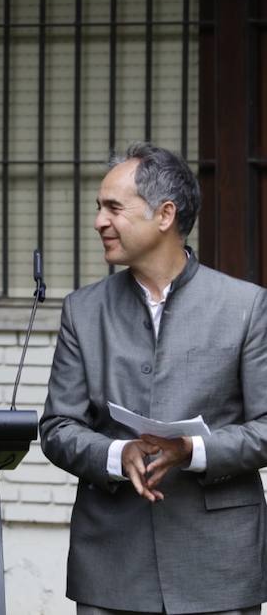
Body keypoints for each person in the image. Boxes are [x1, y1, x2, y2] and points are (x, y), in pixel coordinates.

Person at [40, 143, 267, 615]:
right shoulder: (82, 311)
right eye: (98, 208)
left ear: (165, 215)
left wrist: (192, 451)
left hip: (219, 564)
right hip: (111, 563)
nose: (99, 221)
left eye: (113, 208)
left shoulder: (245, 307)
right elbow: (58, 429)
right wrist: (116, 452)